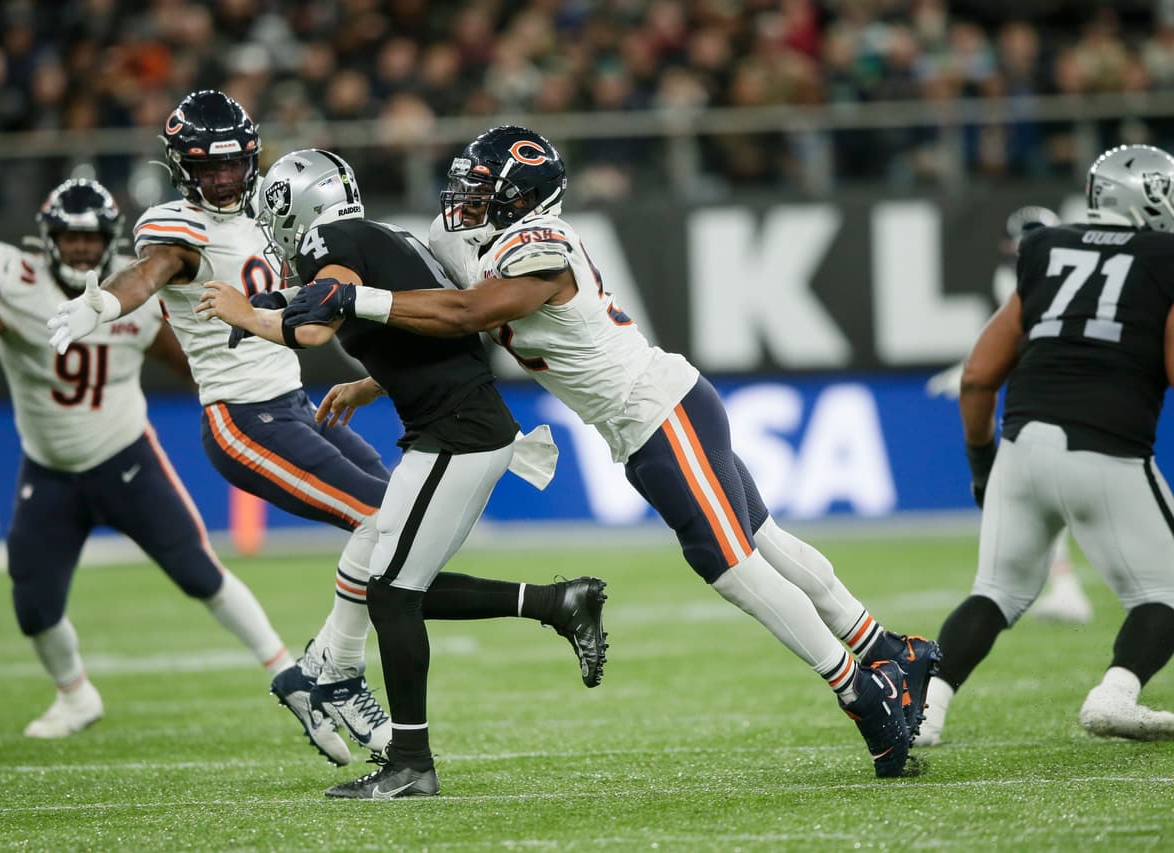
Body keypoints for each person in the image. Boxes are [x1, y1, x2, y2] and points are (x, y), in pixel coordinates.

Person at [285, 125, 942, 778]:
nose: (466, 199)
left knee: (731, 565)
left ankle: (861, 690)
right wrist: (377, 380)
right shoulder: (473, 239)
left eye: (484, 188)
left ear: (522, 196)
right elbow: (459, 324)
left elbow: (468, 313)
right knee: (765, 541)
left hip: (660, 410)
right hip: (646, 421)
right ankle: (888, 648)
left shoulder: (539, 239)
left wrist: (355, 297)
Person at [198, 147, 609, 799]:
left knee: (390, 591)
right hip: (456, 425)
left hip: (459, 433)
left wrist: (248, 313)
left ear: (289, 206)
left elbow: (315, 322)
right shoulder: (379, 236)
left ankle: (410, 761)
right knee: (390, 583)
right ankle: (559, 602)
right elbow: (411, 328)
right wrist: (370, 382)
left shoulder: (330, 241)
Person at [44, 90, 394, 764]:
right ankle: (338, 675)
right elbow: (147, 274)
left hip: (295, 402)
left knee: (402, 520)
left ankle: (310, 672)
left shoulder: (273, 210)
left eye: (232, 166)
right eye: (208, 169)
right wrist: (100, 305)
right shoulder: (180, 227)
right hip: (242, 417)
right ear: (184, 169)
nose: (223, 180)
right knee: (380, 519)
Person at [0, 178, 293, 738]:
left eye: (91, 237)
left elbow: (194, 365)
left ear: (110, 240)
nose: (80, 248)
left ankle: (289, 673)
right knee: (33, 604)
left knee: (199, 572)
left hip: (125, 457)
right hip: (48, 467)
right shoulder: (17, 287)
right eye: (69, 237)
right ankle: (75, 696)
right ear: (47, 238)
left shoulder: (135, 291)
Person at [917, 144, 1174, 746]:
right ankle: (1115, 695)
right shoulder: (1165, 256)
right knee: (1164, 593)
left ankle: (922, 712)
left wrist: (983, 464)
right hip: (1107, 451)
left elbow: (979, 375)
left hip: (1022, 447)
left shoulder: (1045, 247)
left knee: (995, 593)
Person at [926, 204, 1093, 625]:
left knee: (1039, 495)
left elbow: (1016, 338)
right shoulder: (1079, 268)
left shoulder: (1018, 277)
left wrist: (969, 370)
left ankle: (1050, 588)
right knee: (1047, 497)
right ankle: (1062, 586)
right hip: (1081, 394)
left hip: (1047, 398)